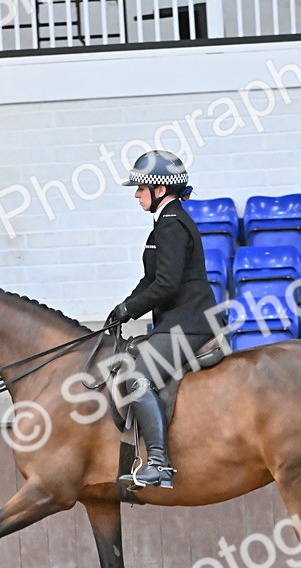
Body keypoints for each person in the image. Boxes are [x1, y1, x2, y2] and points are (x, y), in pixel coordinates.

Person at [106, 150, 216, 490]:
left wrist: (130, 310)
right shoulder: (165, 224)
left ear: (161, 189)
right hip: (177, 321)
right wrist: (124, 307)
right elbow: (152, 281)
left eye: (140, 188)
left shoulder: (172, 225)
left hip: (189, 324)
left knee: (138, 379)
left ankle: (158, 464)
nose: (136, 194)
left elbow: (167, 286)